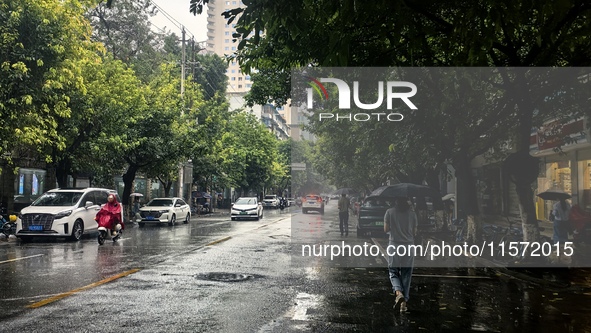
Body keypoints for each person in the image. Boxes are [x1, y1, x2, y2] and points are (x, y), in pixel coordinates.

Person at [384, 197, 417, 313]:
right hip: (409, 246)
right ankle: (404, 304)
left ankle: (398, 292)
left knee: (393, 271)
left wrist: (394, 229)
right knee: (406, 274)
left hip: (394, 245)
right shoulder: (412, 214)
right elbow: (414, 232)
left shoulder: (389, 212)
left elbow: (386, 229)